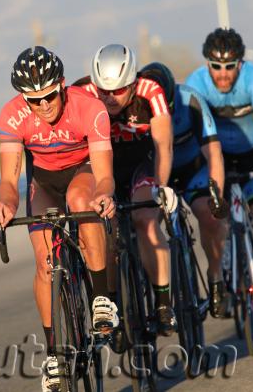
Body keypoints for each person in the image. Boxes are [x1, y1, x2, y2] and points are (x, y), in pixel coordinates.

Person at [0, 46, 118, 392]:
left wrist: (104, 195)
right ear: (23, 99)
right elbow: (8, 181)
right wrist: (4, 205)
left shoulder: (89, 108)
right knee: (46, 263)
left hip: (84, 171)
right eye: (34, 100)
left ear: (61, 85)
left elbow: (105, 176)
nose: (44, 105)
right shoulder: (12, 117)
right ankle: (53, 354)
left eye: (49, 95)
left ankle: (100, 298)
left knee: (80, 200)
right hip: (43, 180)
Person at [185, 28, 253, 332]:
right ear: (207, 65)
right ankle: (217, 277)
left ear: (240, 65)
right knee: (212, 217)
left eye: (230, 66)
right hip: (215, 157)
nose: (223, 74)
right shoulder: (196, 84)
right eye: (216, 66)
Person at [73, 44, 178, 337]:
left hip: (140, 165)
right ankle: (113, 302)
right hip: (103, 168)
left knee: (145, 219)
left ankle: (162, 302)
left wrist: (161, 186)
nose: (110, 98)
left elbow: (163, 146)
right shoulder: (82, 93)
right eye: (103, 91)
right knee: (107, 233)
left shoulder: (150, 91)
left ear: (132, 82)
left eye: (118, 91)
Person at [143, 62, 230, 318]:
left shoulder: (191, 99)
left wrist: (218, 195)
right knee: (143, 225)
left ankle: (215, 277)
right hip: (159, 174)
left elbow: (213, 152)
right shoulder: (137, 106)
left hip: (193, 170)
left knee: (210, 217)